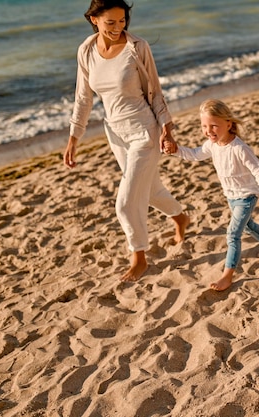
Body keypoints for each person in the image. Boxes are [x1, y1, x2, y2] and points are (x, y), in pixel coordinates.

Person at [63, 0, 190, 282]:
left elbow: (155, 92)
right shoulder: (86, 49)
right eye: (111, 22)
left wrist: (167, 129)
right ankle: (181, 217)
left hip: (145, 131)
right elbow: (83, 98)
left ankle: (139, 258)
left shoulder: (137, 47)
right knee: (152, 190)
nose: (118, 28)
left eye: (122, 21)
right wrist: (74, 138)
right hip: (116, 133)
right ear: (94, 20)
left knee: (125, 202)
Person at [164, 99, 259, 291]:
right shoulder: (212, 145)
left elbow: (258, 170)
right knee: (248, 226)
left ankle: (227, 276)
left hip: (247, 196)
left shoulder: (240, 148)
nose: (209, 131)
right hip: (231, 196)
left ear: (229, 124)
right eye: (204, 126)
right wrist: (176, 150)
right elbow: (194, 154)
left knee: (233, 234)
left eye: (214, 126)